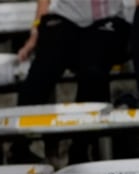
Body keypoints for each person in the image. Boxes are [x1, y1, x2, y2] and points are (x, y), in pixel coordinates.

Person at [15, 0, 132, 163]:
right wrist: (36, 30)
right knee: (43, 68)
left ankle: (80, 148)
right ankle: (18, 147)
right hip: (65, 17)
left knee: (93, 68)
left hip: (109, 19)